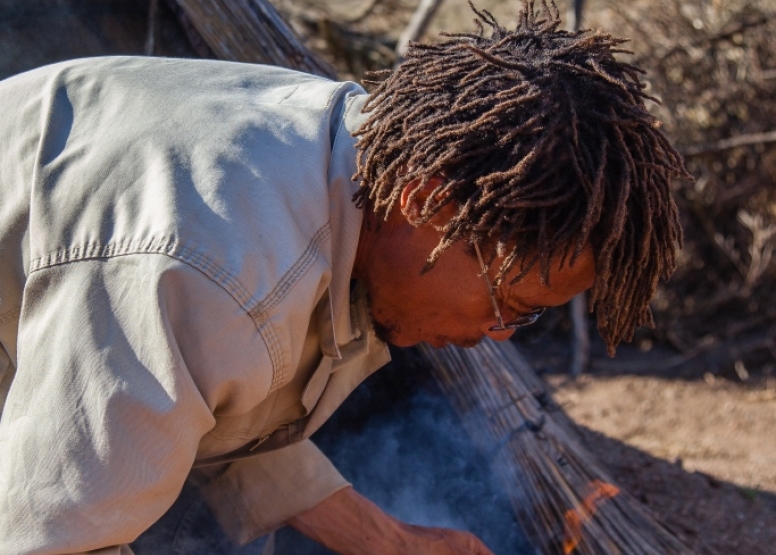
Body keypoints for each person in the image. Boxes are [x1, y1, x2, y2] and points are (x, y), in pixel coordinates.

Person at [0, 2, 688, 554]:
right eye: (507, 301)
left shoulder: (361, 180)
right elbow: (53, 539)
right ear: (425, 199)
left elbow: (220, 411)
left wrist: (389, 541)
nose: (495, 335)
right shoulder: (213, 271)